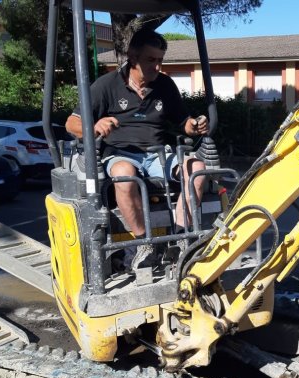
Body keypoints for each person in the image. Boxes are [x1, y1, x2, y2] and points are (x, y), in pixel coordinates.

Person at [65, 29, 208, 269]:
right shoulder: (106, 85)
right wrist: (95, 126)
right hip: (121, 154)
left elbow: (183, 122)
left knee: (198, 170)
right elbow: (72, 124)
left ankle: (182, 238)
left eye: (160, 60)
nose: (157, 66)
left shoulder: (165, 85)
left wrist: (194, 126)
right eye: (151, 60)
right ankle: (145, 244)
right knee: (124, 174)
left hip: (158, 155)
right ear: (133, 57)